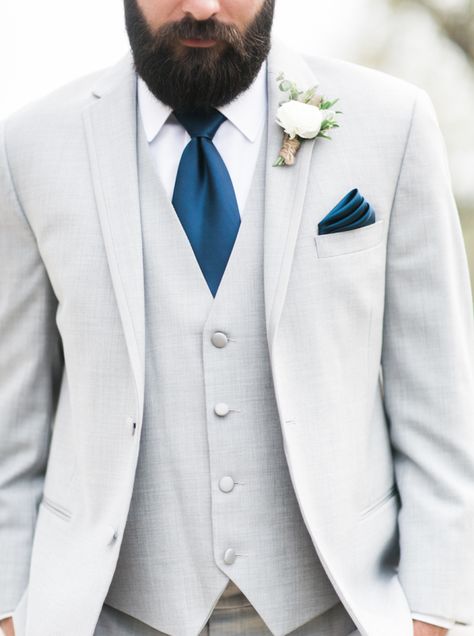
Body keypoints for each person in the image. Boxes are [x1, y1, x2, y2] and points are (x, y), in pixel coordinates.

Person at [1, 0, 473, 634]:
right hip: (106, 612)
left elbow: (441, 402)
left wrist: (434, 613)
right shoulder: (29, 147)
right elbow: (12, 425)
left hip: (342, 608)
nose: (201, 7)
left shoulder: (392, 124)